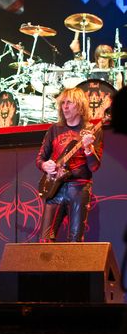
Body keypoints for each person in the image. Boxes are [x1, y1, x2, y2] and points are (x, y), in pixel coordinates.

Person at [36, 87, 103, 242]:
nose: (64, 106)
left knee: (75, 240)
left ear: (79, 106)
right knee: (45, 240)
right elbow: (40, 159)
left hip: (79, 188)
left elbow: (94, 167)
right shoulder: (54, 129)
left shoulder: (91, 130)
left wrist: (88, 148)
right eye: (62, 103)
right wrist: (46, 166)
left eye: (69, 103)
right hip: (54, 189)